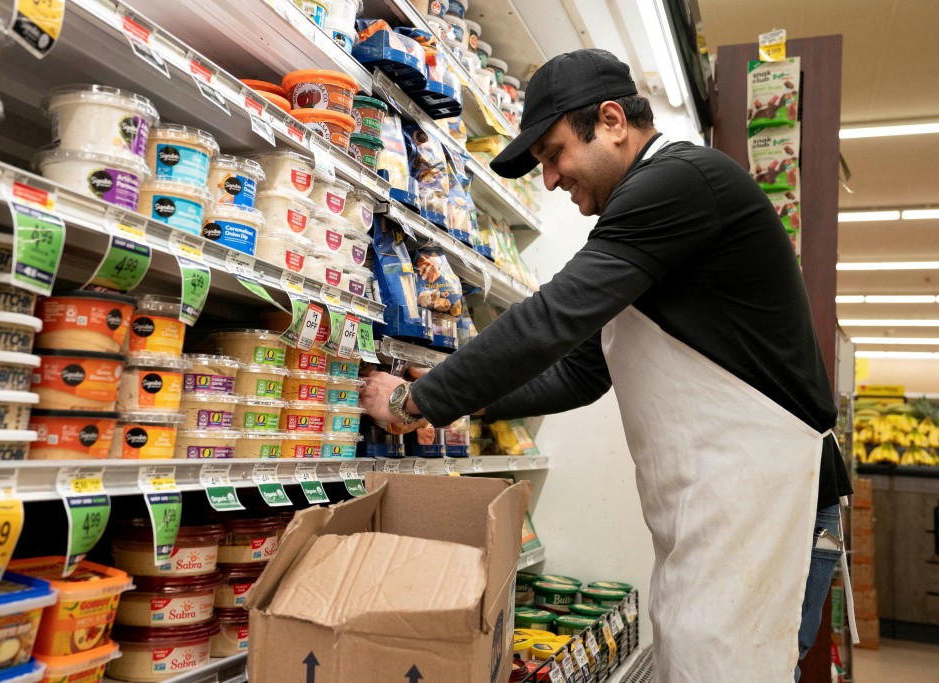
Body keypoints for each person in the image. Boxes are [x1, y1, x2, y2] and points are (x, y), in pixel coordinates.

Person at [360, 48, 852, 681]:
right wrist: (467, 399)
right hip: (725, 505)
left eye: (554, 153)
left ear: (614, 120)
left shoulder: (679, 183)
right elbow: (582, 372)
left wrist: (412, 404)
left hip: (769, 499)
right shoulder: (648, 223)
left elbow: (551, 318)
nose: (552, 179)